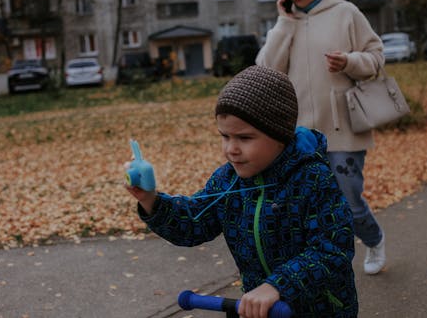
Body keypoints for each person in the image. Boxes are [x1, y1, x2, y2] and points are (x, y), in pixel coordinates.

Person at [125, 65, 358, 317]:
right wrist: (151, 201)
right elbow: (194, 222)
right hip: (259, 310)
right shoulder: (228, 180)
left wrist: (277, 285)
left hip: (321, 309)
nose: (231, 149)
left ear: (279, 135)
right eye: (225, 136)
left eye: (244, 138)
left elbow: (332, 248)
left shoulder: (313, 178)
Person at [255, 0, 386, 275]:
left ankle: (374, 239)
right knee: (306, 207)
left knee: (349, 202)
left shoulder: (346, 13)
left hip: (345, 130)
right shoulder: (287, 23)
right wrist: (285, 22)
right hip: (300, 135)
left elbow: (376, 57)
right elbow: (265, 69)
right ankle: (326, 262)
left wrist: (350, 61)